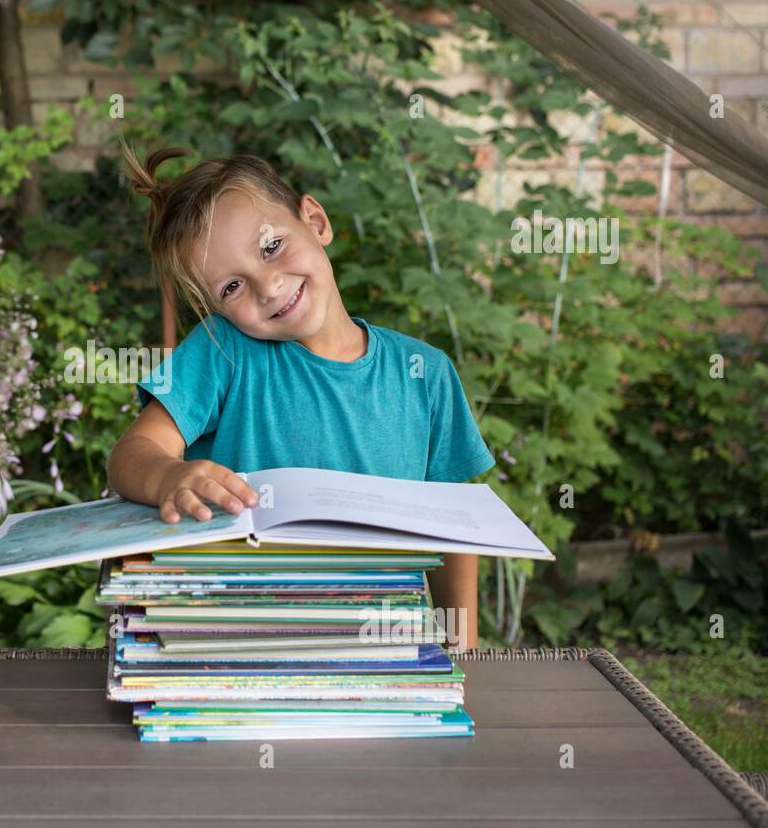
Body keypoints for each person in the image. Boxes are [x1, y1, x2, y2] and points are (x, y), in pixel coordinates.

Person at [105, 142, 494, 650]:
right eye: (232, 287)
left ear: (315, 221)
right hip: (235, 641)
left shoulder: (427, 374)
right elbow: (130, 456)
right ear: (216, 312)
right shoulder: (225, 353)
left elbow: (454, 521)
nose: (267, 286)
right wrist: (169, 476)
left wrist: (461, 644)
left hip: (380, 650)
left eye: (270, 248)